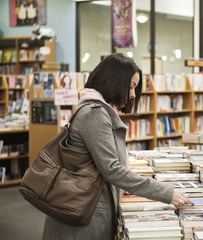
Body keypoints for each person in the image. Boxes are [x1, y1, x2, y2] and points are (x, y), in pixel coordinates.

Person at [42, 53, 193, 240]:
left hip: (88, 209)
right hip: (81, 219)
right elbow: (112, 169)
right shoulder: (94, 114)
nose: (132, 94)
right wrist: (166, 192)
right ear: (113, 81)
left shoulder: (100, 110)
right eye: (130, 86)